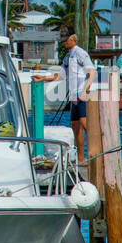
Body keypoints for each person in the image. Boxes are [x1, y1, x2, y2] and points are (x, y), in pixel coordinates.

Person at [33, 28, 96, 161]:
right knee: (75, 126)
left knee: (85, 123)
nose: (64, 43)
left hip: (82, 93)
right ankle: (81, 158)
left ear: (72, 39)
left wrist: (85, 90)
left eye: (65, 40)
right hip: (73, 96)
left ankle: (96, 155)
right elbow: (60, 75)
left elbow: (92, 72)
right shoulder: (68, 56)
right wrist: (42, 78)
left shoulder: (80, 53)